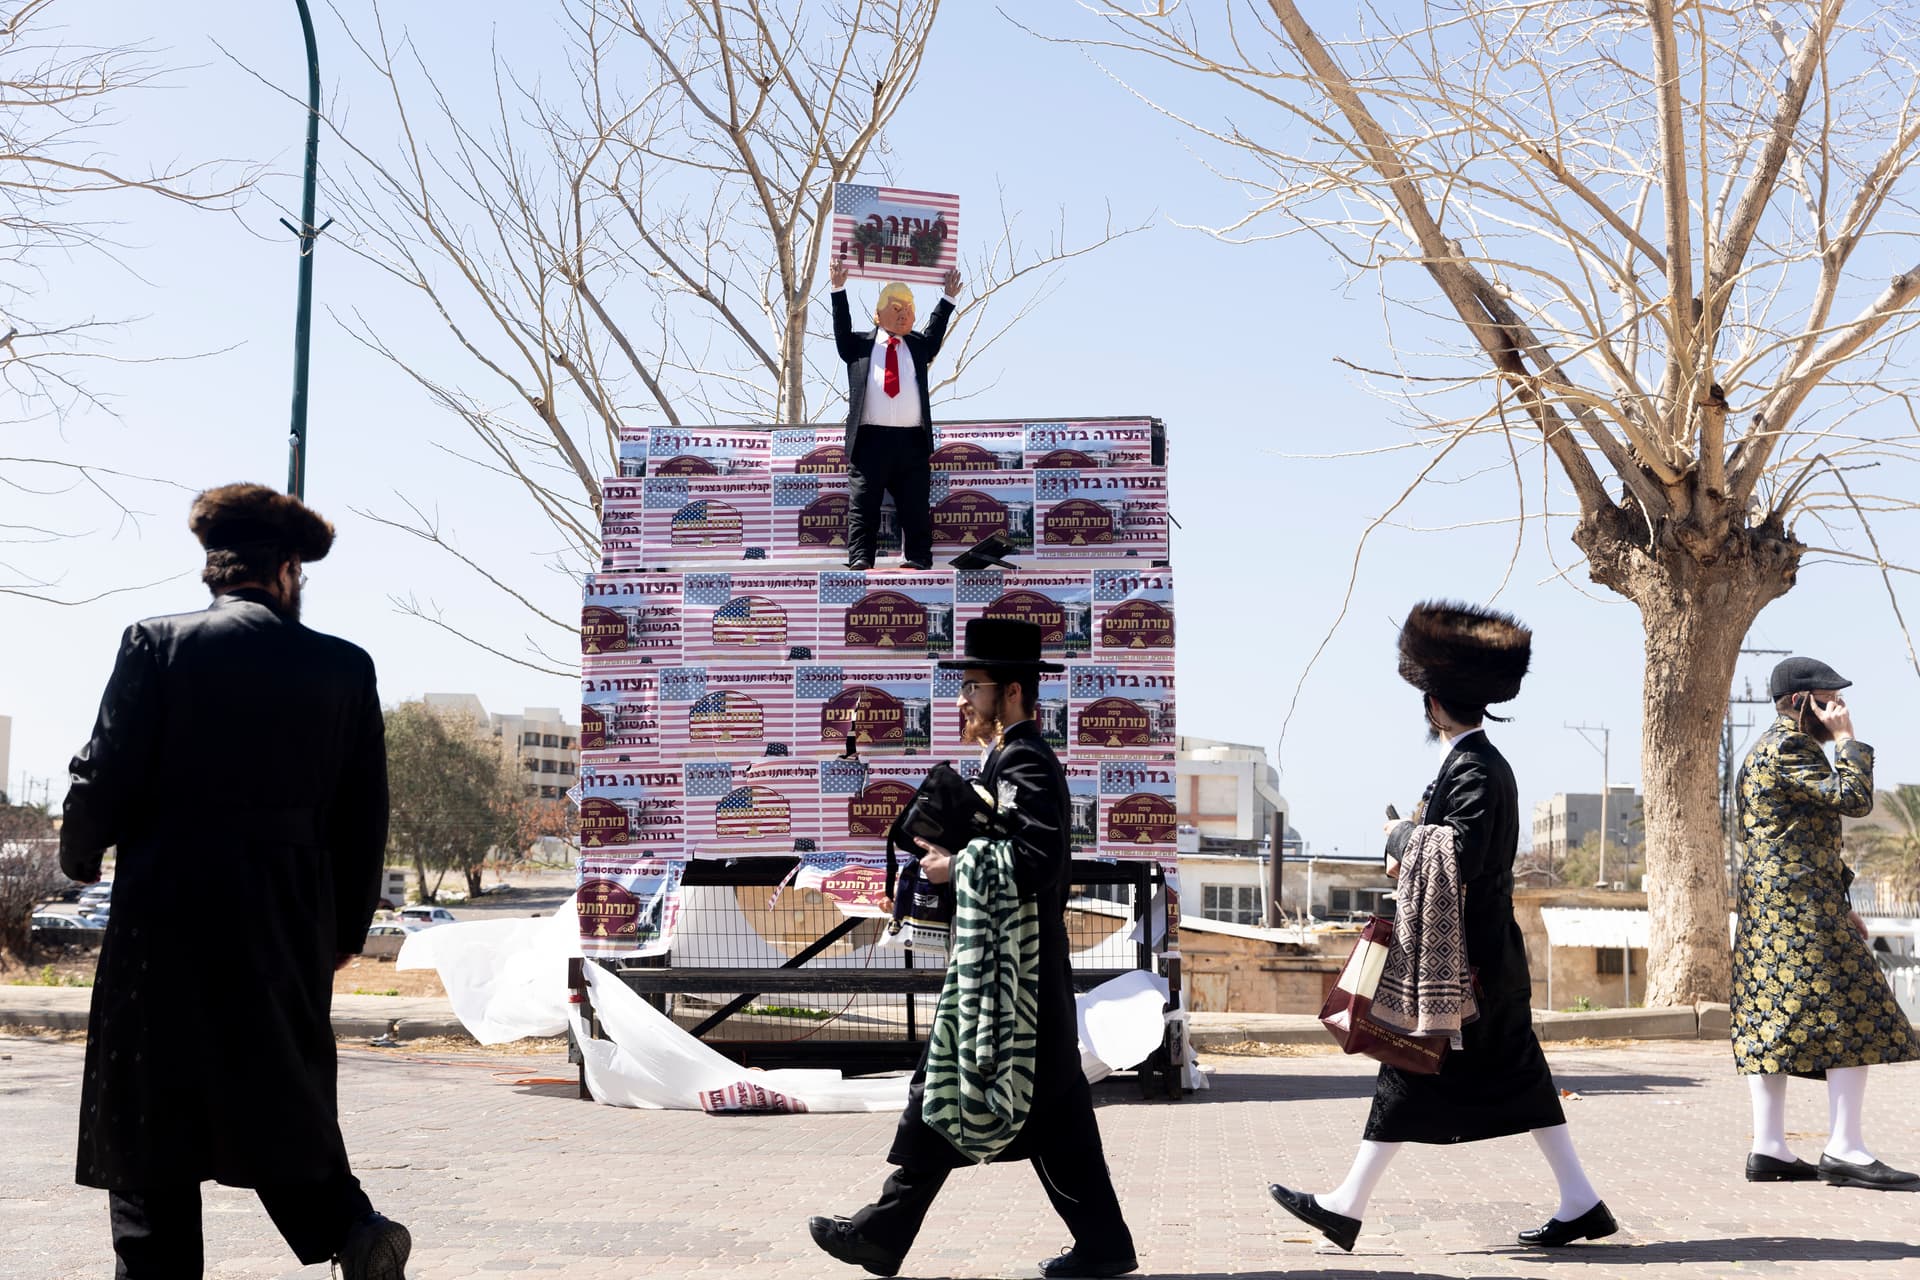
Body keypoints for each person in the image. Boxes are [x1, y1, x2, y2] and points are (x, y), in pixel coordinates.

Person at [60, 483, 409, 1278]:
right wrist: (343, 932)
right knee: (275, 1085)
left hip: (165, 914)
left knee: (152, 1117)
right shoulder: (345, 667)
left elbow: (104, 771)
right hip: (286, 921)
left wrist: (79, 855)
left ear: (214, 570)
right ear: (286, 571)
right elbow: (364, 817)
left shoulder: (157, 642)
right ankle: (352, 1229)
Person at [1270, 601, 1617, 1252]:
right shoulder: (1475, 764)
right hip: (1482, 962)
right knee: (1514, 1080)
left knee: (1409, 1067)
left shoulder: (1477, 768)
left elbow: (1461, 852)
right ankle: (1581, 1200)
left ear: (1432, 705)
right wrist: (1416, 835)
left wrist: (1402, 833)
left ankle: (1345, 1206)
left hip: (1466, 968)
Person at [808, 618, 1138, 1279]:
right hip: (1019, 971)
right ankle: (1103, 1245)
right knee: (1053, 1114)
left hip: (1016, 977)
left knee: (948, 1086)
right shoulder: (1006, 759)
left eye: (974, 686)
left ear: (1010, 693)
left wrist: (956, 868)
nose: (961, 699)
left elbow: (1037, 858)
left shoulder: (1024, 759)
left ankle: (884, 1231)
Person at [1731, 657, 1919, 1189]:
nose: (1838, 707)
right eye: (1828, 698)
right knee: (1856, 1011)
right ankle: (1845, 1149)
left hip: (1779, 906)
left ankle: (1769, 1149)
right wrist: (1848, 740)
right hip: (1799, 910)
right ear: (1799, 702)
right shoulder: (1790, 746)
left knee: (1772, 1016)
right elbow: (1853, 799)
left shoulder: (1762, 752)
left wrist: (1844, 901)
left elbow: (1791, 833)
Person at [830, 258, 962, 571]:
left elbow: (935, 330)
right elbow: (841, 326)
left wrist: (948, 297)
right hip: (869, 441)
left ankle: (918, 556)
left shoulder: (917, 345)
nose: (903, 315)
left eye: (908, 309)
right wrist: (838, 288)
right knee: (863, 506)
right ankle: (861, 557)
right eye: (895, 308)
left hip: (911, 441)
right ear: (878, 314)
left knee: (915, 506)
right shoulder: (858, 346)